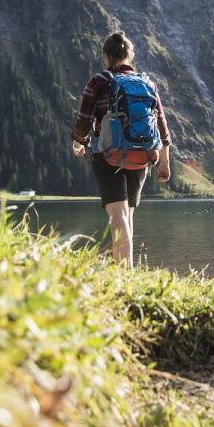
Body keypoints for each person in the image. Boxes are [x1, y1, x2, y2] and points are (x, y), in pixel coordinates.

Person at [72, 31, 172, 263]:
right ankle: (127, 271)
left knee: (117, 215)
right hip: (141, 155)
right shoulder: (148, 83)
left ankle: (123, 274)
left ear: (107, 56)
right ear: (129, 55)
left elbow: (84, 120)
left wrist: (78, 142)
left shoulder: (98, 81)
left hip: (107, 155)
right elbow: (161, 122)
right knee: (128, 215)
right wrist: (164, 161)